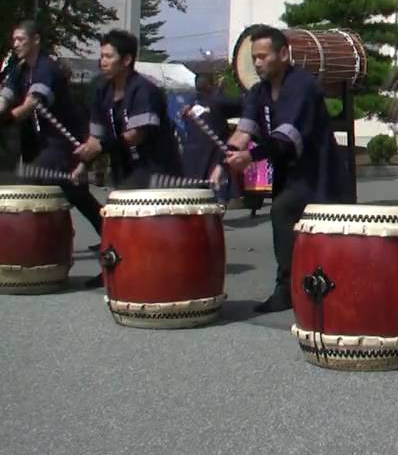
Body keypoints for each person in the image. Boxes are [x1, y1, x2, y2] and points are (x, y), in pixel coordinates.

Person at [224, 25, 352, 313]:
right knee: (284, 217)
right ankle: (289, 289)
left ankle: (307, 291)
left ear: (283, 54)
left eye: (263, 56)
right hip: (289, 176)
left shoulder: (302, 86)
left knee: (301, 222)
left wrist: (250, 156)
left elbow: (285, 139)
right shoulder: (258, 92)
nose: (257, 63)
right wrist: (228, 157)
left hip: (320, 176)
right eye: (254, 58)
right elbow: (242, 133)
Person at [0, 21, 106, 288]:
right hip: (44, 142)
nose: (15, 44)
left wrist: (6, 119)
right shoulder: (19, 69)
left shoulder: (46, 68)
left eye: (20, 39)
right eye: (14, 39)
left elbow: (31, 104)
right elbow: (6, 96)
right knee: (77, 195)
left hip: (63, 142)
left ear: (36, 40)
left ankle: (44, 247)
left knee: (28, 181)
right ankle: (111, 241)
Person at [73, 30, 181, 189]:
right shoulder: (101, 90)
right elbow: (96, 137)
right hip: (123, 169)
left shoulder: (144, 90)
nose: (103, 62)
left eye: (109, 57)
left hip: (155, 170)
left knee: (120, 200)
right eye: (102, 56)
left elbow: (135, 136)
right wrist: (84, 163)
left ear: (126, 60)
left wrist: (102, 147)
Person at [180, 73, 241, 201]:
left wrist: (218, 91)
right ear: (209, 85)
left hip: (192, 156)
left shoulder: (188, 106)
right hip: (214, 154)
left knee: (197, 196)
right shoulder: (217, 102)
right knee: (217, 192)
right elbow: (242, 105)